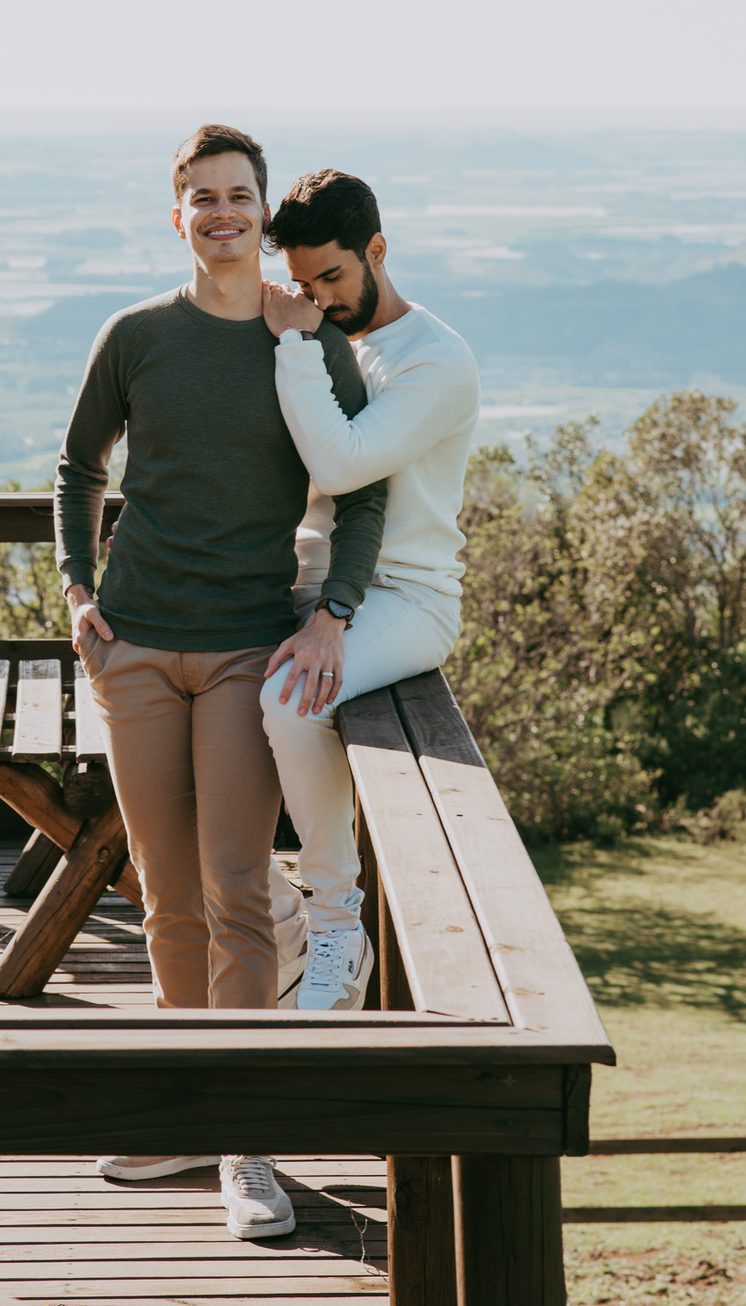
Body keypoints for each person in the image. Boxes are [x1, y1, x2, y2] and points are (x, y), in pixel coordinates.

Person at [54, 126, 386, 1241]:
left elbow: (364, 489)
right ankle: (186, 1107)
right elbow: (76, 467)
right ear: (178, 215)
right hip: (137, 650)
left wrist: (334, 611)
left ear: (259, 213)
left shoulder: (306, 341)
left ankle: (249, 1145)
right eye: (203, 198)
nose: (223, 213)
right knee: (164, 895)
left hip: (250, 649)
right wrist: (74, 590)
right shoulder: (135, 334)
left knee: (239, 888)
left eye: (240, 195)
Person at [257, 169, 480, 1012]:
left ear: (377, 250)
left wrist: (290, 340)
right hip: (308, 585)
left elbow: (342, 464)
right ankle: (278, 919)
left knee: (291, 697)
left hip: (404, 599)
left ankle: (337, 925)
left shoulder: (436, 359)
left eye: (334, 277)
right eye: (304, 282)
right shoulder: (331, 335)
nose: (318, 297)